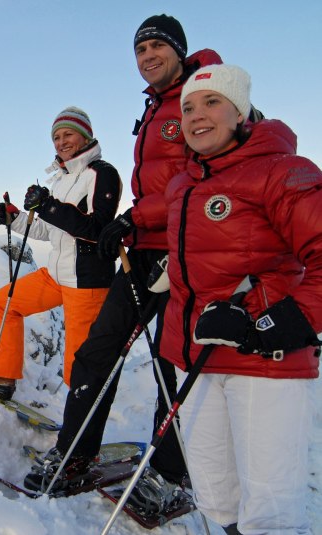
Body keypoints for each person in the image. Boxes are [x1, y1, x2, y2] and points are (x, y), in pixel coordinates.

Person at [24, 14, 224, 496]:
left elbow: (205, 175)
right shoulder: (156, 108)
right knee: (96, 353)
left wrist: (132, 217)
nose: (148, 56)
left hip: (188, 250)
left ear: (179, 49)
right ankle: (73, 454)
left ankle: (171, 474)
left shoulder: (203, 103)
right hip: (145, 249)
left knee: (172, 361)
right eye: (140, 50)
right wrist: (134, 222)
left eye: (157, 46)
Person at [161, 63, 321, 534]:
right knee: (216, 493)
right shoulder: (183, 185)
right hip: (191, 354)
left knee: (268, 506)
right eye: (188, 107)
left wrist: (270, 323)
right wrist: (165, 269)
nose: (196, 115)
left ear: (240, 112)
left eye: (212, 102)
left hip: (262, 361)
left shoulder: (281, 171)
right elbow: (209, 257)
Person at [0, 106, 122, 401]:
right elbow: (52, 231)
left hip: (86, 282)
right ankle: (1, 378)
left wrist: (49, 206)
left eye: (68, 134)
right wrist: (18, 219)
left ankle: (77, 439)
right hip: (57, 275)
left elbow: (98, 229)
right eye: (56, 137)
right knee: (3, 304)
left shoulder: (102, 174)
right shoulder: (62, 179)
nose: (61, 142)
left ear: (85, 136)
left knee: (78, 368)